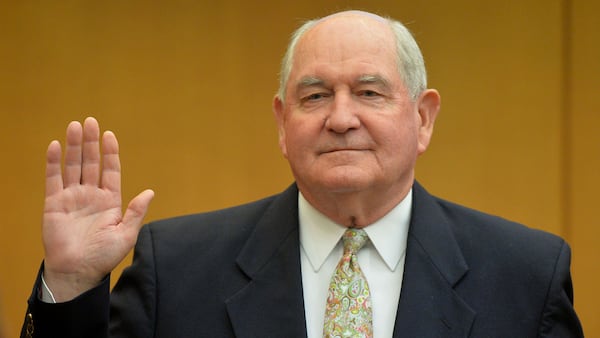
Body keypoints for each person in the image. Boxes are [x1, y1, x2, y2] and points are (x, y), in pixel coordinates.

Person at [21, 10, 583, 338]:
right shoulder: (176, 268)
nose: (341, 119)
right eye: (315, 96)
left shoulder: (525, 276)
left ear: (422, 117)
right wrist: (70, 286)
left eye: (368, 92)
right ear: (282, 123)